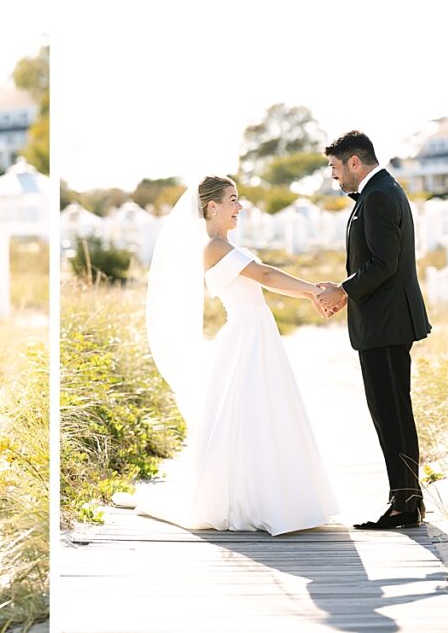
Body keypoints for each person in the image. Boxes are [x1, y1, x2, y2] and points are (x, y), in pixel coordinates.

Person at [123, 175, 338, 535]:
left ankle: (271, 494)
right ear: (212, 207)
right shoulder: (213, 247)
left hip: (257, 333)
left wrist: (310, 295)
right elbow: (265, 275)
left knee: (263, 413)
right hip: (244, 337)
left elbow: (263, 278)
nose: (240, 207)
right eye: (233, 200)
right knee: (248, 413)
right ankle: (250, 498)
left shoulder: (224, 245)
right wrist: (315, 292)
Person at [317, 131, 431, 530]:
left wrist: (342, 290)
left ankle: (405, 505)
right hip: (384, 322)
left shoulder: (379, 194)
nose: (334, 176)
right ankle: (406, 499)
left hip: (386, 323)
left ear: (353, 162)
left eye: (335, 167)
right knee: (391, 412)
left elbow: (384, 263)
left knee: (392, 413)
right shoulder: (379, 191)